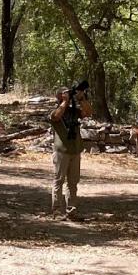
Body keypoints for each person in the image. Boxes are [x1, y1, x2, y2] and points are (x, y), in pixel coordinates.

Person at [48, 84, 91, 219]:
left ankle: (71, 211)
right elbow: (56, 117)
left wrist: (81, 99)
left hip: (75, 150)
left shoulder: (74, 111)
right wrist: (65, 101)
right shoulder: (55, 111)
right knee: (59, 180)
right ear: (59, 97)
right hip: (61, 151)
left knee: (73, 182)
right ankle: (56, 211)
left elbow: (88, 112)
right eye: (64, 93)